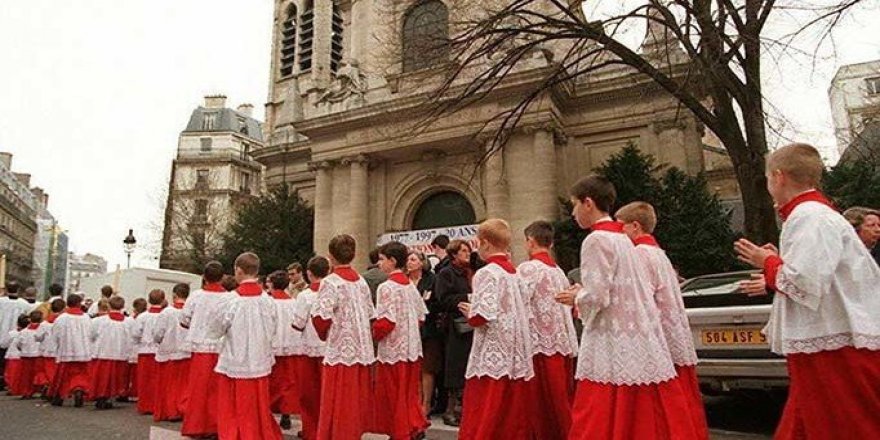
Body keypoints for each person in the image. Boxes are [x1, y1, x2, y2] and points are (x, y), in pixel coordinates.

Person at [734, 143, 880, 439]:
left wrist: (768, 262)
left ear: (779, 177)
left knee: (844, 426)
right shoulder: (812, 214)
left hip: (834, 345)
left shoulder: (809, 216)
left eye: (768, 179)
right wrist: (777, 265)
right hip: (826, 340)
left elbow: (806, 283)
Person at [557, 175, 698, 439]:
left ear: (588, 203)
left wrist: (576, 296)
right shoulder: (623, 239)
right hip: (638, 333)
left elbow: (598, 296)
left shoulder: (596, 240)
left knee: (600, 411)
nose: (573, 213)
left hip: (612, 337)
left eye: (575, 204)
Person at [616, 202, 709, 438]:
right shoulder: (659, 253)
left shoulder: (639, 254)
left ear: (635, 226)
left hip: (657, 338)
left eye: (620, 226)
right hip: (672, 332)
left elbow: (638, 297)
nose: (618, 232)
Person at [456, 219, 534, 439]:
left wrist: (470, 312)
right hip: (515, 350)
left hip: (493, 350)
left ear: (486, 243)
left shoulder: (487, 273)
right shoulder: (515, 274)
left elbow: (482, 316)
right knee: (510, 411)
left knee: (487, 408)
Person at [208, 252, 282, 440]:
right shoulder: (268, 300)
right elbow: (273, 328)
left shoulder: (230, 299)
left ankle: (233, 434)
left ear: (238, 270)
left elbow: (216, 329)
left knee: (232, 404)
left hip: (235, 358)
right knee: (257, 403)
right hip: (259, 358)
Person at [516, 220, 578, 440]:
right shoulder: (558, 271)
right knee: (561, 398)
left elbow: (518, 303)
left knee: (541, 402)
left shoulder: (528, 269)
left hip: (539, 343)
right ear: (550, 243)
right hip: (561, 342)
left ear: (530, 241)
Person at [311, 234, 376, 440]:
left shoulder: (330, 282)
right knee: (354, 402)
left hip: (340, 349)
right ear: (354, 255)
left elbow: (321, 318)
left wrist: (324, 335)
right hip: (361, 350)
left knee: (338, 401)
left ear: (330, 256)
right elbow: (370, 314)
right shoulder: (361, 282)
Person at [372, 241, 430, 440]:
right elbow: (421, 317)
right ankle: (413, 425)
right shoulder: (410, 287)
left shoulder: (386, 287)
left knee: (393, 392)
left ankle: (400, 431)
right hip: (412, 348)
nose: (379, 263)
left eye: (382, 259)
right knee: (409, 392)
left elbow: (386, 321)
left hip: (393, 348)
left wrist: (373, 334)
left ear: (393, 261)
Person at [179, 261, 233, 438]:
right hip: (221, 348)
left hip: (200, 347)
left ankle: (196, 426)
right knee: (218, 390)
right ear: (222, 277)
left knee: (198, 388)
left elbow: (184, 320)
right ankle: (217, 425)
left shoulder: (196, 296)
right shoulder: (230, 298)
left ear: (204, 277)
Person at [433, 239, 474, 426]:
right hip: (455, 326)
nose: (467, 253)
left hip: (471, 324)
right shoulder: (446, 273)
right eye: (463, 251)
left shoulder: (471, 271)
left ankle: (466, 408)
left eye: (468, 250)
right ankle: (451, 409)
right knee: (455, 366)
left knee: (467, 366)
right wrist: (467, 298)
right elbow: (442, 299)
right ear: (454, 254)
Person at [291, 256, 329, 440]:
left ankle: (311, 430)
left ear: (308, 273)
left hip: (310, 347)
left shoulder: (305, 296)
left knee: (310, 394)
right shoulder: (333, 292)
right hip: (330, 348)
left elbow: (298, 323)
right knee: (327, 393)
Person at [409, 250, 442, 416]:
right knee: (415, 369)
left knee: (427, 368)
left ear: (422, 263)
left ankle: (426, 404)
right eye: (408, 259)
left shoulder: (432, 280)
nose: (409, 262)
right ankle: (416, 402)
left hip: (429, 329)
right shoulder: (405, 281)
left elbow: (437, 302)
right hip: (411, 330)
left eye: (413, 259)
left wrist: (423, 304)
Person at [267, 270, 301, 431]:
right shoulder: (294, 302)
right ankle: (286, 413)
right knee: (287, 381)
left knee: (272, 381)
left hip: (272, 344)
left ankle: (269, 412)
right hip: (290, 344)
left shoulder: (268, 302)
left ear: (272, 284)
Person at [152, 283, 191, 422]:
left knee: (168, 384)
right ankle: (182, 409)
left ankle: (169, 410)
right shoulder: (191, 311)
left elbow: (158, 333)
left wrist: (158, 341)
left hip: (168, 351)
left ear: (174, 295)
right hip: (186, 352)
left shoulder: (167, 312)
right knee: (183, 385)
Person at [87, 296, 132, 410]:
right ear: (123, 306)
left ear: (109, 306)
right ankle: (109, 397)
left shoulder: (98, 321)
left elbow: (91, 336)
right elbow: (132, 337)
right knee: (115, 378)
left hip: (102, 352)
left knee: (101, 377)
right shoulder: (129, 321)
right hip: (120, 353)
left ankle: (100, 395)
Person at [49, 294, 92, 407]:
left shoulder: (61, 318)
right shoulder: (86, 318)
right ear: (79, 304)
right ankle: (79, 389)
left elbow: (55, 335)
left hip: (66, 350)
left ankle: (59, 396)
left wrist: (57, 346)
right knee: (81, 374)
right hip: (83, 350)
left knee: (64, 375)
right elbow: (90, 334)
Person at [131, 289, 166, 415]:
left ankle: (145, 405)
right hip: (161, 351)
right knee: (159, 380)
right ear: (163, 300)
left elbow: (135, 334)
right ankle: (158, 405)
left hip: (145, 351)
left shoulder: (142, 316)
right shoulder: (166, 315)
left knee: (145, 380)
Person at [0, 281, 32, 389]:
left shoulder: (1, 302)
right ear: (18, 290)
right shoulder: (24, 304)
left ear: (6, 289)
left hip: (2, 333)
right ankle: (11, 381)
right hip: (18, 334)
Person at [35, 298, 64, 398]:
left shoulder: (44, 323)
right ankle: (53, 387)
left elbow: (38, 337)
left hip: (45, 350)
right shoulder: (63, 322)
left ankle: (46, 384)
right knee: (55, 371)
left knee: (44, 370)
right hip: (58, 351)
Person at [16, 310, 44, 399]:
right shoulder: (42, 330)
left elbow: (18, 344)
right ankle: (36, 390)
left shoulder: (24, 331)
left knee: (25, 375)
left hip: (26, 355)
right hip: (38, 355)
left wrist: (22, 349)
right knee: (36, 373)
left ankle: (26, 391)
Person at [125, 297, 148, 401]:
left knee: (131, 374)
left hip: (132, 346)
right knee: (137, 374)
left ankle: (130, 392)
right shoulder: (147, 317)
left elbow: (133, 334)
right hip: (140, 347)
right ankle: (136, 392)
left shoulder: (129, 320)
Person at [3, 315, 28, 396]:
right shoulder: (28, 332)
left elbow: (5, 343)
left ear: (17, 323)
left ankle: (11, 388)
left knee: (11, 374)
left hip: (12, 355)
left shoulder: (12, 333)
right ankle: (21, 389)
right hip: (23, 355)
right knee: (21, 374)